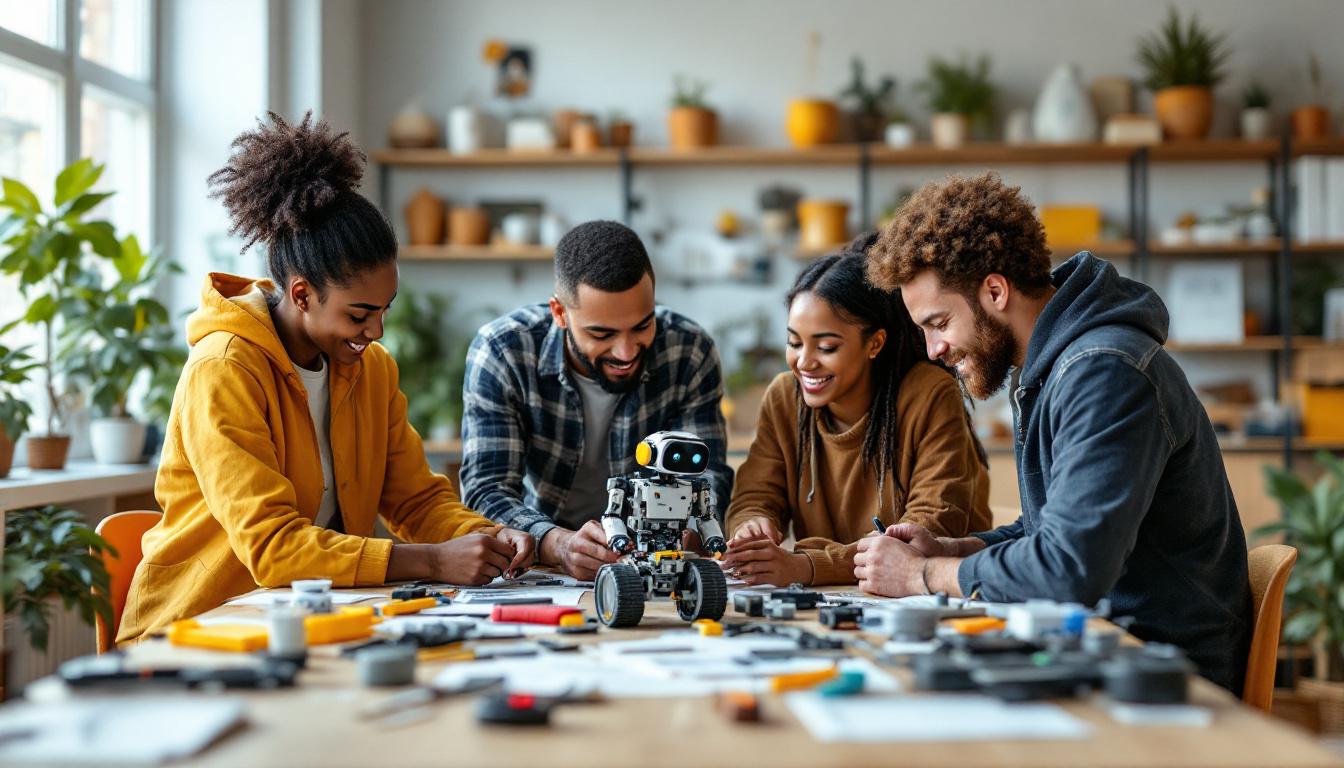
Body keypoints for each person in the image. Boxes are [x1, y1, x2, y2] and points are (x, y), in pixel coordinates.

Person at [118, 113, 532, 644]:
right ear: (300, 295)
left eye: (385, 310)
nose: (376, 332)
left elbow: (414, 501)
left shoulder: (370, 370)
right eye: (359, 315)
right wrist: (433, 559)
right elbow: (275, 550)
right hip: (196, 632)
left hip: (308, 621)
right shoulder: (224, 370)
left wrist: (489, 538)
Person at [857, 172, 1251, 693]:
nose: (934, 350)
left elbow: (1067, 570)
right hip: (1105, 644)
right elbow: (1053, 528)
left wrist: (920, 577)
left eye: (938, 323)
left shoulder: (1105, 372)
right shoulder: (1055, 364)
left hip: (1162, 673)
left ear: (994, 290)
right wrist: (954, 550)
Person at [461, 220, 732, 581]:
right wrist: (557, 543)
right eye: (601, 333)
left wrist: (687, 533)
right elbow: (486, 488)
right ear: (560, 312)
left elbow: (706, 474)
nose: (626, 351)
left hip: (654, 562)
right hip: (544, 562)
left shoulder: (689, 351)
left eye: (642, 325)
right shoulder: (503, 351)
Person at [722, 238, 992, 587]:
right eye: (793, 342)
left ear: (874, 343)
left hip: (932, 596)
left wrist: (808, 566)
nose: (804, 362)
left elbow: (925, 534)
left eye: (827, 347)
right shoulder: (783, 398)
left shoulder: (929, 395)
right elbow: (754, 495)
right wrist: (751, 523)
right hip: (835, 600)